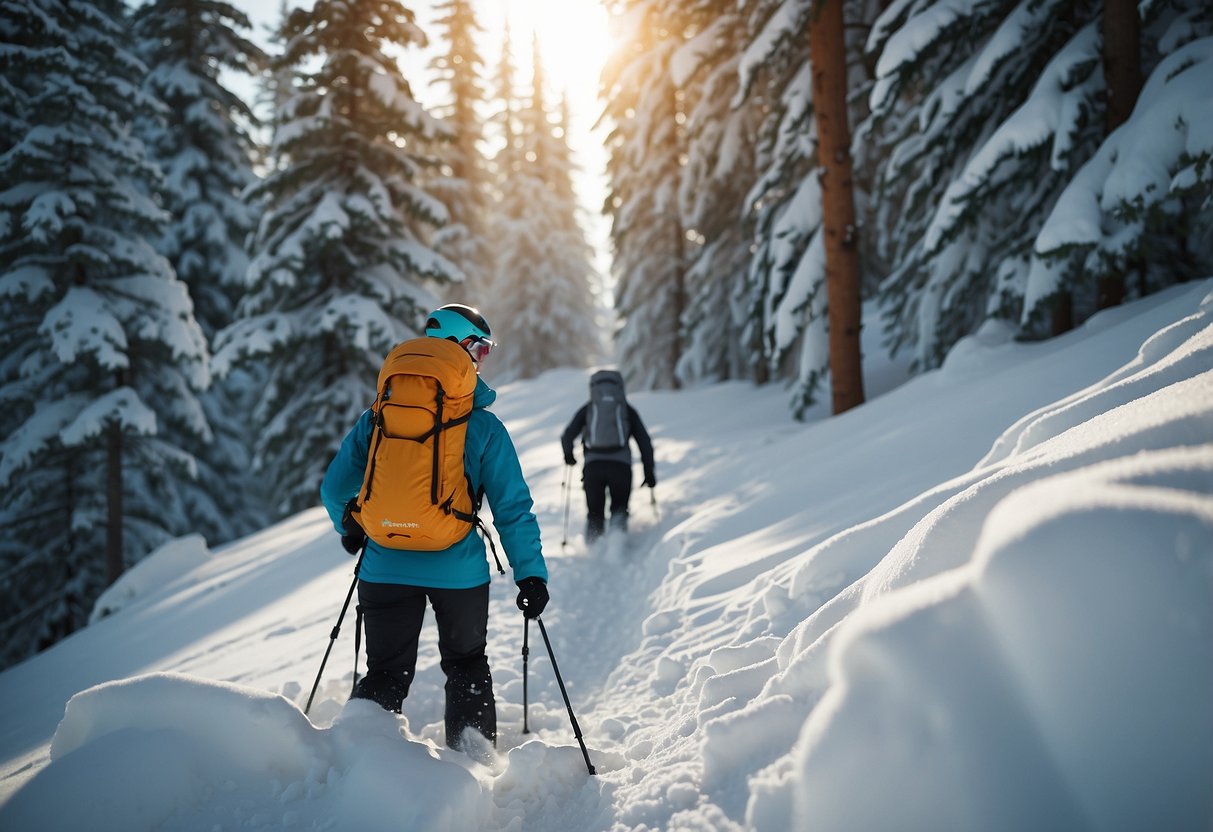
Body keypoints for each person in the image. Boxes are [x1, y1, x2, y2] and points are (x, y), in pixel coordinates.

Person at [320, 303, 549, 752]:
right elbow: (512, 509)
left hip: (384, 566)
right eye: (480, 348)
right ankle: (474, 767)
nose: (483, 359)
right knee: (466, 665)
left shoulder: (377, 417)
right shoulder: (484, 426)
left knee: (384, 673)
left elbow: (334, 488)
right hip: (458, 571)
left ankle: (361, 764)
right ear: (460, 346)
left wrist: (351, 527)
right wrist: (531, 574)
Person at [560, 368, 656, 542]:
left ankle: (593, 552)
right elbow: (645, 443)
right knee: (619, 510)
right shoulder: (626, 410)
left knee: (595, 513)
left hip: (593, 467)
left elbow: (567, 436)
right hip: (621, 466)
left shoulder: (589, 409)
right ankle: (616, 551)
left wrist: (569, 456)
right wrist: (649, 473)